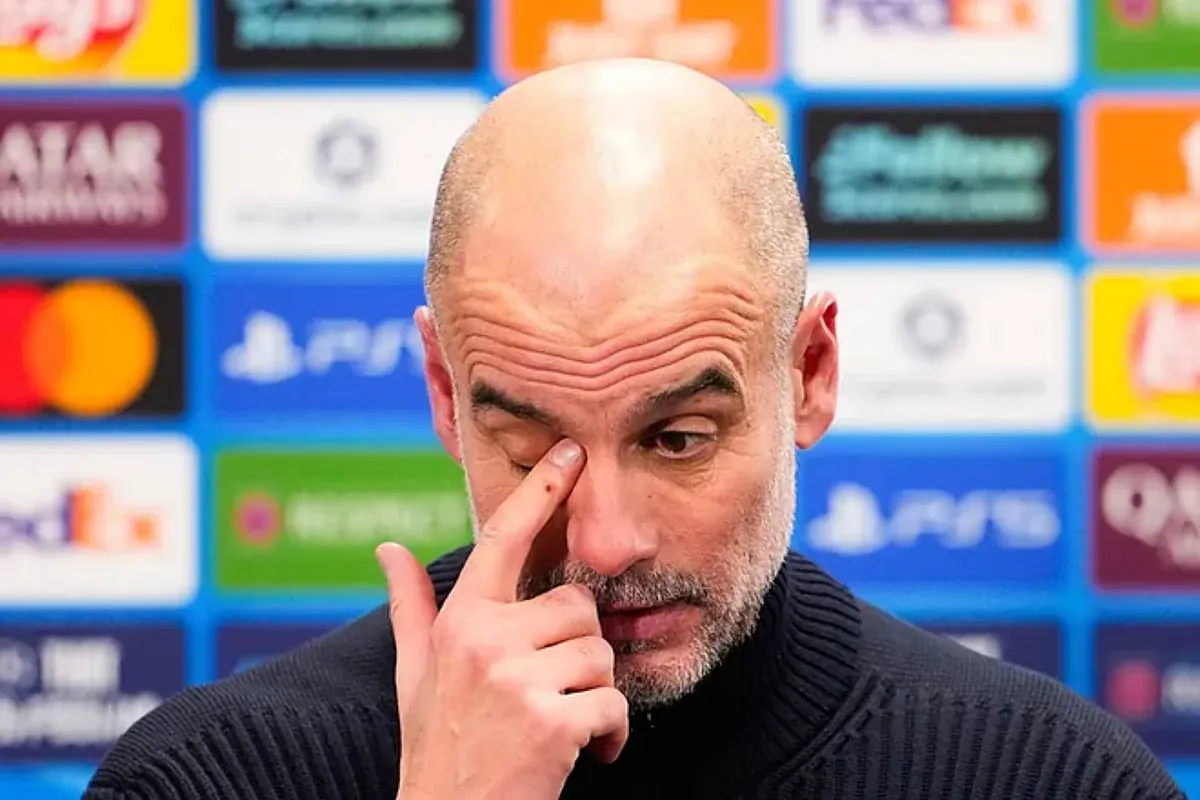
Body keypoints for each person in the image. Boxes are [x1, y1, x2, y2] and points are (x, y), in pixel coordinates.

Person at [84, 58, 1184, 800]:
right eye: (535, 451)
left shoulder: (1047, 776)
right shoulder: (204, 778)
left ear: (809, 373)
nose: (605, 543)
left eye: (678, 439)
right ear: (445, 394)